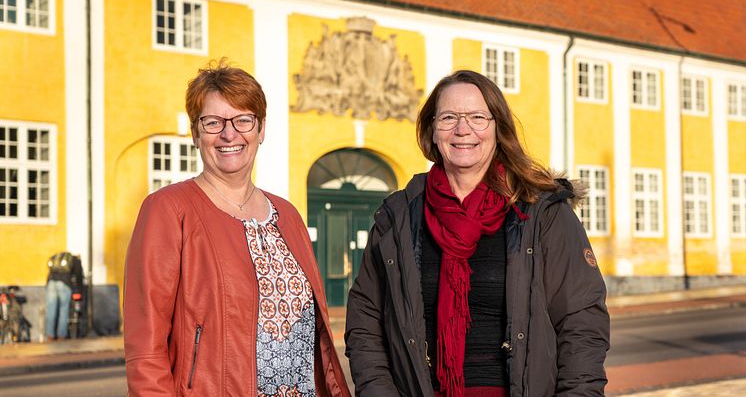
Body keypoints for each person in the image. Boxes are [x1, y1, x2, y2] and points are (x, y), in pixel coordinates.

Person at [345, 70, 610, 397]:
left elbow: (581, 324)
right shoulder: (398, 216)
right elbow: (365, 322)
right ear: (432, 129)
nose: (462, 129)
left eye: (477, 117)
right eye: (448, 117)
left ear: (498, 128)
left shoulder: (542, 213)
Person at [124, 60, 350, 396]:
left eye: (243, 120)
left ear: (260, 130)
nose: (229, 134)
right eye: (213, 122)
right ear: (195, 133)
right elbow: (146, 346)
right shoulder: (168, 210)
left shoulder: (287, 214)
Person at [45, 251, 83, 340]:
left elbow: (49, 273)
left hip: (51, 283)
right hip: (64, 284)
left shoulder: (56, 258)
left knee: (51, 310)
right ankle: (61, 335)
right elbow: (79, 276)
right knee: (63, 310)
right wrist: (79, 290)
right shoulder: (75, 260)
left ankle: (50, 335)